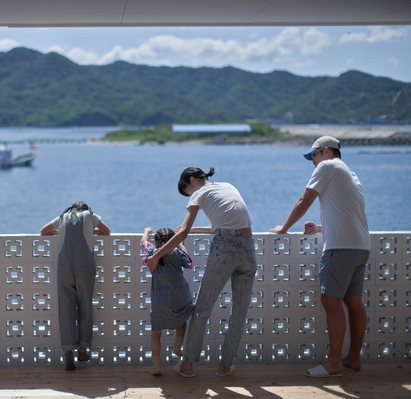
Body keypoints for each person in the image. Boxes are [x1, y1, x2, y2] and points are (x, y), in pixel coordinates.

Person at [270, 136, 371, 378]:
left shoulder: (327, 166)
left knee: (331, 302)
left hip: (340, 248)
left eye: (313, 156)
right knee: (354, 303)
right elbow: (348, 214)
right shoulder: (350, 173)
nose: (313, 163)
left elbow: (305, 199)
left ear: (325, 151)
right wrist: (320, 229)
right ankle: (353, 359)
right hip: (360, 246)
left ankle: (334, 362)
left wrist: (284, 228)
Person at [146, 167, 256, 378]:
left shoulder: (199, 193)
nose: (189, 195)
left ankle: (187, 364)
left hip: (225, 247)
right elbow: (226, 223)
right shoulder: (228, 186)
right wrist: (197, 230)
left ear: (193, 181)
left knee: (202, 308)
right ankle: (225, 365)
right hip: (248, 245)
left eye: (187, 191)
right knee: (240, 312)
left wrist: (156, 256)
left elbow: (185, 233)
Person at [40, 201, 111, 371]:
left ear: (72, 209)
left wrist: (60, 231)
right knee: (85, 307)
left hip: (65, 267)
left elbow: (43, 232)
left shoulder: (63, 217)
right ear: (85, 210)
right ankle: (83, 349)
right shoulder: (89, 216)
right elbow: (106, 232)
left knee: (66, 310)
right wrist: (92, 231)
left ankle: (68, 352)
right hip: (85, 266)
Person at [140, 226, 194, 375]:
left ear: (157, 242)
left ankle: (157, 366)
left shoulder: (152, 252)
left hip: (160, 301)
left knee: (156, 333)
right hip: (180, 296)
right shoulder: (177, 252)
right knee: (182, 318)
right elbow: (188, 261)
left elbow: (144, 242)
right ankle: (177, 346)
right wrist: (179, 241)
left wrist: (146, 232)